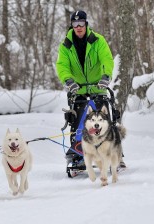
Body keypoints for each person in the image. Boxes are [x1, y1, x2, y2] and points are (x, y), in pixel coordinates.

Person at [55, 10, 126, 170]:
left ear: (86, 24)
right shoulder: (66, 45)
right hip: (78, 89)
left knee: (103, 120)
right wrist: (68, 80)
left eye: (81, 24)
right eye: (75, 24)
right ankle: (79, 153)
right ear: (71, 25)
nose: (78, 27)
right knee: (79, 120)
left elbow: (106, 59)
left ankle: (114, 153)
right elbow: (62, 65)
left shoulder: (97, 40)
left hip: (97, 87)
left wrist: (106, 76)